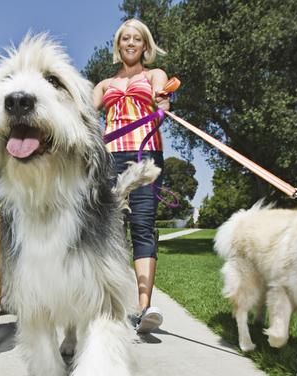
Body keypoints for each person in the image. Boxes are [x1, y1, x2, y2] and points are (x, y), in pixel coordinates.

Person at [93, 18, 170, 334]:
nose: (130, 43)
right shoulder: (104, 85)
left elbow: (162, 101)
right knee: (109, 228)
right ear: (118, 45)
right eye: (125, 38)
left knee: (142, 224)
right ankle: (104, 304)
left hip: (145, 155)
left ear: (145, 46)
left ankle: (143, 309)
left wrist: (162, 104)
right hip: (109, 157)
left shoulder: (154, 75)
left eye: (136, 38)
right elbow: (84, 113)